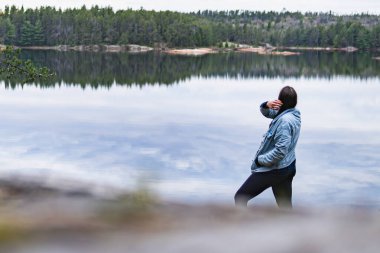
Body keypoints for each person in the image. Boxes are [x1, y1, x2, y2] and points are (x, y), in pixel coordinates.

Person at [234, 86, 301, 209]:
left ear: (280, 101)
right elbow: (267, 113)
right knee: (285, 208)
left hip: (276, 169)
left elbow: (280, 151)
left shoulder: (284, 121)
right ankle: (292, 228)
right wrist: (266, 104)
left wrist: (261, 160)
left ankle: (243, 227)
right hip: (288, 166)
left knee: (240, 197)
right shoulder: (292, 114)